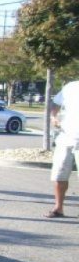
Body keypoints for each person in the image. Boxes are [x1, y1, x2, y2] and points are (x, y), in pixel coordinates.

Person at [45, 80, 79, 218]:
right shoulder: (70, 87)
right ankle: (58, 208)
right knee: (59, 175)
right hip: (65, 137)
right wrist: (53, 117)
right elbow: (56, 104)